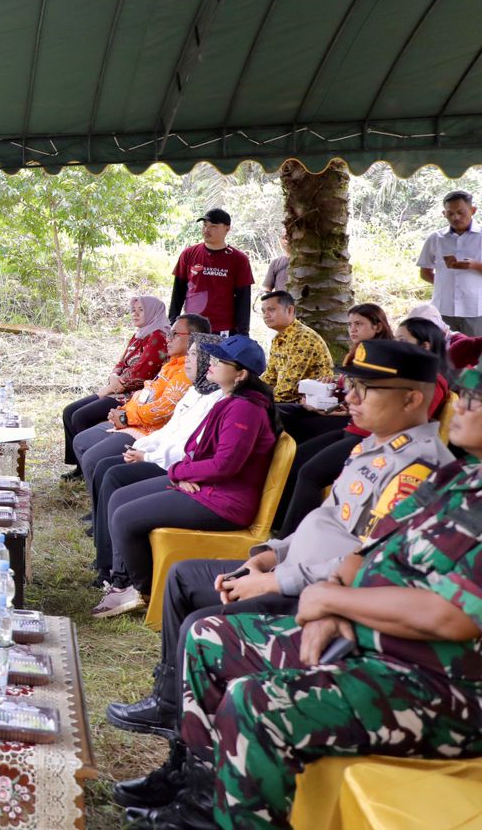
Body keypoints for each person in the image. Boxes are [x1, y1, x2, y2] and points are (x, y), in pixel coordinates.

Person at [106, 341, 448, 814]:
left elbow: (367, 563)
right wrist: (270, 553)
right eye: (351, 385)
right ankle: (174, 732)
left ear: (413, 398)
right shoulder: (373, 446)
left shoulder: (419, 467)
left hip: (316, 599)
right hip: (287, 571)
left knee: (202, 628)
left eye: (366, 388)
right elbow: (326, 520)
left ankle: (199, 793)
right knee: (185, 578)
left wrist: (273, 581)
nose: (350, 396)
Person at [91, 336, 278, 618]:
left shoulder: (245, 408)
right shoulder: (230, 400)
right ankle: (123, 581)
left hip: (224, 502)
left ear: (240, 374)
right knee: (120, 496)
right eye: (212, 359)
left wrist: (179, 472)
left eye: (219, 361)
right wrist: (187, 474)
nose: (210, 364)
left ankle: (141, 590)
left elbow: (225, 464)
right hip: (209, 487)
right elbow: (199, 449)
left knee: (125, 516)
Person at [274, 315, 452, 538]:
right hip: (357, 434)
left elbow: (407, 420)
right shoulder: (395, 385)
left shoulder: (427, 384)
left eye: (403, 341)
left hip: (367, 437)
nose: (352, 398)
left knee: (309, 473)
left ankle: (288, 533)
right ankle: (280, 528)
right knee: (294, 457)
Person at [84, 332, 225, 541]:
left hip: (174, 464)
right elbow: (170, 431)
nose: (188, 359)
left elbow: (190, 447)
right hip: (160, 451)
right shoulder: (196, 390)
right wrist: (141, 447)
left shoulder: (217, 400)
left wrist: (146, 455)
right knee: (106, 466)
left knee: (113, 475)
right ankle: (103, 540)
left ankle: (111, 563)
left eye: (194, 355)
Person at [74, 315, 206, 489]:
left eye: (175, 334)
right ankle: (98, 498)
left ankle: (100, 506)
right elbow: (145, 392)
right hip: (132, 420)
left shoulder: (187, 371)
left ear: (193, 338)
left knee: (93, 458)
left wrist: (125, 417)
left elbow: (162, 410)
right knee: (81, 441)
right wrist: (121, 411)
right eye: (169, 334)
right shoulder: (170, 364)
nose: (168, 338)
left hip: (148, 431)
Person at [61, 295, 171, 480]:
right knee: (69, 410)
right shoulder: (139, 334)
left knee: (80, 416)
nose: (135, 314)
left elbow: (141, 374)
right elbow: (121, 363)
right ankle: (80, 466)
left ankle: (87, 469)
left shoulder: (158, 336)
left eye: (141, 310)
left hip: (132, 396)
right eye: (133, 310)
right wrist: (113, 377)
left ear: (153, 311)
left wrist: (112, 388)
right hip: (116, 388)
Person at [275, 302, 391, 449]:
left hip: (353, 419)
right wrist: (328, 388)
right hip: (333, 408)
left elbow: (376, 401)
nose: (352, 329)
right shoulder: (354, 352)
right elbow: (344, 389)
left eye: (358, 324)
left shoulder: (382, 358)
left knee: (295, 427)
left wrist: (338, 410)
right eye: (349, 324)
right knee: (273, 411)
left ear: (378, 327)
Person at [169, 209, 254, 337]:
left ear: (227, 229)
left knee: (217, 358)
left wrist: (243, 333)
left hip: (223, 329)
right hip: (191, 328)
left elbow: (243, 298)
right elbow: (178, 291)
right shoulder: (189, 253)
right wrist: (171, 322)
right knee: (190, 358)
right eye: (205, 225)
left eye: (213, 226)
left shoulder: (239, 259)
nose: (206, 230)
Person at [416, 190, 482, 337]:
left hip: (476, 309)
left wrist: (475, 266)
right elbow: (425, 272)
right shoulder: (436, 238)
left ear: (473, 210)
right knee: (445, 353)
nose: (456, 217)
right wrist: (443, 284)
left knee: (476, 356)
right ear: (444, 214)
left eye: (461, 212)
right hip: (443, 309)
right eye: (450, 213)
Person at [256, 290, 332, 404]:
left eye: (271, 310)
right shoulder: (278, 339)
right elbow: (270, 377)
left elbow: (287, 390)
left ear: (290, 310)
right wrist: (248, 391)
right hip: (287, 402)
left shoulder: (303, 338)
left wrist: (254, 400)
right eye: (264, 311)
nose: (266, 315)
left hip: (309, 404)